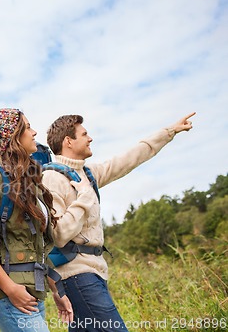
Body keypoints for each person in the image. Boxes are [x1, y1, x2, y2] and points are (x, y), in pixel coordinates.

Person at [42, 112, 195, 332]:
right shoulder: (52, 179)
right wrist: (84, 197)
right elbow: (58, 234)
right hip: (77, 275)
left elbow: (129, 158)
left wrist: (169, 131)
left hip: (94, 272)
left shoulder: (88, 173)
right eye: (84, 134)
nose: (90, 138)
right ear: (68, 141)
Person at [0, 108, 73, 332]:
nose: (34, 132)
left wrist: (56, 291)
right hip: (10, 295)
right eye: (26, 127)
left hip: (33, 290)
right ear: (11, 137)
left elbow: (40, 248)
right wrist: (10, 289)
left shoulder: (30, 183)